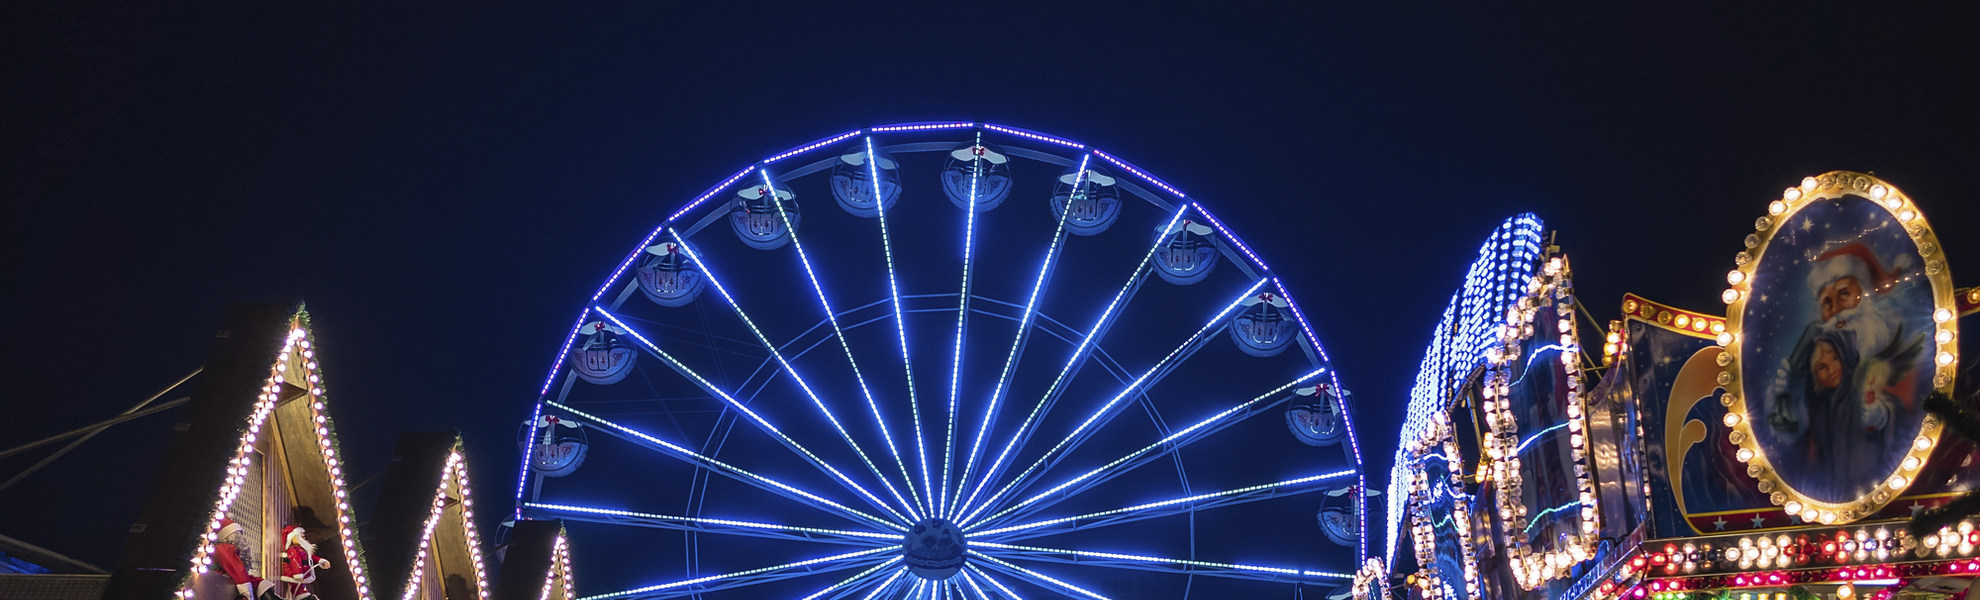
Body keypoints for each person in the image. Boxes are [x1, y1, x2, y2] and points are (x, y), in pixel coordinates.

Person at [213, 520, 276, 600]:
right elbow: (237, 570)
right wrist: (247, 593)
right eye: (236, 534)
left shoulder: (233, 552)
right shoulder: (223, 549)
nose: (241, 538)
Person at [277, 525, 332, 600]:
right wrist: (298, 575)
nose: (304, 538)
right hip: (295, 575)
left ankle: (303, 597)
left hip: (303, 575)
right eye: (301, 536)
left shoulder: (303, 549)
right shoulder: (293, 550)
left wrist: (321, 561)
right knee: (297, 587)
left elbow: (312, 557)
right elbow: (296, 562)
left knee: (299, 588)